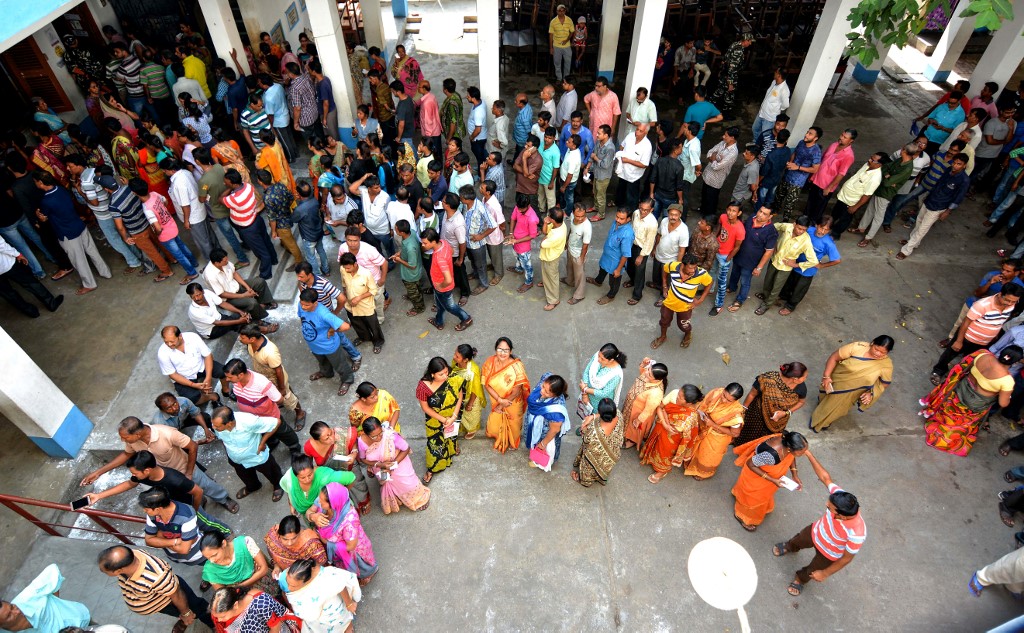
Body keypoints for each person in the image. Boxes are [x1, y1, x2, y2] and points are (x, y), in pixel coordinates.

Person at [79, 415, 233, 512]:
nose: (123, 441)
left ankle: (223, 499)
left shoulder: (167, 433)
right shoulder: (135, 443)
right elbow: (126, 454)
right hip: (160, 476)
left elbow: (192, 446)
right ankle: (199, 503)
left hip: (183, 469)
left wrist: (189, 472)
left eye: (125, 438)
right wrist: (99, 472)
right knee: (184, 496)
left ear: (137, 434)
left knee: (204, 485)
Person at [772, 453, 865, 597]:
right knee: (798, 540)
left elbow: (847, 558)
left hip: (829, 554)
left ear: (842, 516)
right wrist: (808, 453)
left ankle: (800, 579)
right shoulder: (840, 497)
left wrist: (825, 573)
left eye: (829, 508)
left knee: (812, 571)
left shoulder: (857, 533)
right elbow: (825, 477)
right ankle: (790, 547)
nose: (826, 505)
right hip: (815, 532)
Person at [922, 345, 1022, 456]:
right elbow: (1003, 403)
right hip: (974, 405)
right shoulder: (1007, 381)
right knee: (960, 422)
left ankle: (938, 424)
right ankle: (945, 437)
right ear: (1016, 363)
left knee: (949, 412)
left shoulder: (983, 355)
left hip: (961, 390)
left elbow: (965, 368)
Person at [98, 545, 213, 630]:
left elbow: (177, 594)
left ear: (118, 570)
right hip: (160, 600)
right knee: (182, 611)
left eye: (105, 571)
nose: (103, 572)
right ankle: (183, 618)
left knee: (198, 609)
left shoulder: (156, 577)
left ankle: (212, 623)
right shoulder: (131, 557)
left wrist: (186, 613)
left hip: (170, 599)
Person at [33, 171, 112, 295]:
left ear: (41, 183)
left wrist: (39, 216)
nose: (35, 184)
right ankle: (105, 272)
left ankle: (89, 284)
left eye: (35, 181)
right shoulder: (61, 189)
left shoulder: (46, 201)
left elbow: (44, 218)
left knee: (79, 260)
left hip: (67, 233)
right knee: (92, 251)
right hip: (79, 226)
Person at [931, 285, 1021, 384]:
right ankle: (938, 371)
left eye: (1014, 301)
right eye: (1007, 300)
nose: (1010, 303)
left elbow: (1002, 319)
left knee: (970, 360)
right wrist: (959, 340)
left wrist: (995, 332)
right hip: (967, 337)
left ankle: (956, 377)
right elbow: (966, 322)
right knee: (950, 354)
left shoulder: (1011, 305)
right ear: (1000, 295)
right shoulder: (982, 305)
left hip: (983, 342)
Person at [809, 336, 894, 434]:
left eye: (883, 352)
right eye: (876, 349)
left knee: (837, 409)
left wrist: (870, 393)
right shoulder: (856, 347)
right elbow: (834, 358)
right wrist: (826, 376)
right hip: (836, 381)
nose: (877, 353)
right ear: (872, 343)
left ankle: (824, 422)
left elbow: (883, 384)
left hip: (851, 393)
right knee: (825, 398)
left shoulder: (886, 365)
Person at [896, 153, 971, 259]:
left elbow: (958, 198)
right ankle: (912, 242)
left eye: (959, 164)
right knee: (919, 221)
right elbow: (938, 184)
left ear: (964, 165)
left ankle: (906, 250)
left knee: (922, 229)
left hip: (939, 206)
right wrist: (928, 196)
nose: (955, 166)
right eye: (954, 162)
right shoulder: (948, 170)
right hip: (930, 200)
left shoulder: (964, 180)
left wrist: (947, 211)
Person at [731, 430, 809, 532]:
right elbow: (750, 464)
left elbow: (791, 457)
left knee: (762, 498)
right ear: (790, 448)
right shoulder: (771, 455)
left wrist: (795, 475)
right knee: (752, 500)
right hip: (756, 479)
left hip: (769, 480)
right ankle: (742, 516)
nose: (804, 454)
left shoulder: (788, 442)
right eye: (801, 452)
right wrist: (773, 480)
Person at [210, 406, 287, 502]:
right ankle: (253, 486)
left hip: (255, 456)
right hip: (236, 458)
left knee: (271, 472)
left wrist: (262, 442)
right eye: (213, 425)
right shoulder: (217, 425)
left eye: (217, 426)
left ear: (229, 424)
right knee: (244, 475)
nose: (214, 427)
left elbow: (276, 423)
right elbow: (222, 438)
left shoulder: (249, 421)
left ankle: (278, 485)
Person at [357, 416, 432, 513]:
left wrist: (393, 465)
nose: (379, 437)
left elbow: (406, 449)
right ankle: (397, 496)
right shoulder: (362, 442)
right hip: (381, 468)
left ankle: (420, 498)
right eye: (374, 436)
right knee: (389, 483)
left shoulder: (390, 436)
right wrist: (380, 465)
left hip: (398, 462)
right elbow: (363, 459)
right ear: (366, 434)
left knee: (408, 484)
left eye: (381, 433)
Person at [309, 482, 378, 583]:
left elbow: (350, 546)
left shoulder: (350, 520)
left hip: (353, 551)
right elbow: (309, 512)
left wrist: (325, 541)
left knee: (361, 566)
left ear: (333, 503)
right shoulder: (323, 503)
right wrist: (313, 516)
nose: (318, 502)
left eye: (322, 501)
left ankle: (369, 574)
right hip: (337, 551)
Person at [304, 420, 371, 516]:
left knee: (358, 484)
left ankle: (364, 502)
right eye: (326, 438)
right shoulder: (309, 447)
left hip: (349, 465)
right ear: (317, 440)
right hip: (331, 475)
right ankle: (348, 510)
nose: (332, 438)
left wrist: (354, 453)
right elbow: (309, 465)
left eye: (331, 433)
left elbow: (353, 441)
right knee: (339, 493)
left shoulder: (341, 433)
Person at [221, 169, 279, 279]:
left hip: (248, 227)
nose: (225, 183)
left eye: (226, 182)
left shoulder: (235, 199)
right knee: (266, 241)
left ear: (232, 183)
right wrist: (231, 186)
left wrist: (229, 188)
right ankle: (274, 259)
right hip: (256, 219)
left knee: (260, 251)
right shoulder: (247, 186)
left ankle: (265, 274)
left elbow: (220, 199)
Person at [753, 216, 817, 316]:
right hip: (774, 260)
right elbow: (774, 227)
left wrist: (796, 264)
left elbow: (813, 261)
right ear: (794, 224)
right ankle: (765, 295)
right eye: (799, 228)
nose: (801, 231)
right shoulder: (787, 227)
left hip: (785, 268)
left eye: (804, 230)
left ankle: (767, 304)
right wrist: (772, 243)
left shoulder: (806, 241)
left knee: (776, 287)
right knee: (768, 281)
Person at [298, 288, 356, 396]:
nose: (303, 307)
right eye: (302, 304)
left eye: (306, 305)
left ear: (315, 303)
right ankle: (326, 373)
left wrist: (332, 329)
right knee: (322, 362)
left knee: (339, 364)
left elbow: (345, 326)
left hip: (329, 346)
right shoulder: (301, 305)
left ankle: (347, 379)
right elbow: (301, 316)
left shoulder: (323, 314)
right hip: (314, 345)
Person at [640, 384, 704, 482]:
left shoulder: (691, 417)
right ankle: (651, 459)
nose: (677, 397)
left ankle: (662, 471)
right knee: (656, 445)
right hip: (661, 427)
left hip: (673, 439)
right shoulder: (674, 393)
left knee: (664, 453)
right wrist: (665, 423)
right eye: (679, 394)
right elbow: (660, 407)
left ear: (688, 403)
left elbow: (688, 434)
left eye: (680, 398)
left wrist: (665, 417)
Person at [778, 216, 842, 315]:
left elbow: (837, 260)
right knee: (789, 282)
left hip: (808, 270)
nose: (822, 231)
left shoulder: (829, 243)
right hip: (794, 262)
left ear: (829, 230)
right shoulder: (809, 230)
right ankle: (783, 296)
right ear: (816, 225)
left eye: (826, 229)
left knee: (799, 289)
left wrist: (821, 266)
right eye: (821, 227)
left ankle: (790, 306)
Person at [735, 364, 808, 448]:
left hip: (779, 421)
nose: (805, 379)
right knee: (749, 435)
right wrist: (743, 410)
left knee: (767, 440)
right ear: (795, 379)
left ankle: (759, 452)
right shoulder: (766, 379)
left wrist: (786, 413)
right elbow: (752, 394)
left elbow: (801, 402)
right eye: (805, 376)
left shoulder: (801, 387)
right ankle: (743, 450)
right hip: (757, 414)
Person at [417, 357, 465, 484]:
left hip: (453, 415)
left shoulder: (453, 377)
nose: (445, 376)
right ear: (432, 374)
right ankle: (432, 469)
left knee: (452, 436)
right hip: (435, 421)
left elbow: (460, 396)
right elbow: (425, 408)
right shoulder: (423, 387)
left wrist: (453, 416)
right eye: (441, 374)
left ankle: (452, 448)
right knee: (434, 445)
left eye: (446, 372)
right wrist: (444, 420)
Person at [0, 564, 89, 633]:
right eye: (9, 616)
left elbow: (52, 570)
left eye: (12, 607)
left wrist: (55, 601)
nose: (17, 611)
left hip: (82, 620)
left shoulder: (28, 597)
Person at [684, 383, 745, 480]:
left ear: (735, 401)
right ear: (723, 389)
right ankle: (690, 463)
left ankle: (703, 473)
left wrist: (713, 425)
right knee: (697, 448)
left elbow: (735, 433)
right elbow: (704, 404)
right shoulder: (716, 393)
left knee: (708, 457)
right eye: (724, 395)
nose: (724, 400)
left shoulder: (735, 414)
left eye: (729, 400)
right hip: (704, 425)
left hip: (718, 437)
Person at [156, 325, 229, 406]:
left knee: (224, 371)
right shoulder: (162, 353)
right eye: (166, 342)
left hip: (201, 366)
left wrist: (208, 378)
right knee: (191, 399)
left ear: (180, 336)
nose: (169, 344)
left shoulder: (193, 337)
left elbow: (208, 355)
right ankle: (212, 396)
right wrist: (193, 385)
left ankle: (226, 390)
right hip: (184, 376)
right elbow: (173, 374)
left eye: (172, 341)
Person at [281, 559, 360, 632]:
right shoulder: (293, 575)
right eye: (288, 583)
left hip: (335, 610)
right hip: (321, 619)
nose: (289, 588)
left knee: (343, 621)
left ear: (306, 581)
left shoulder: (327, 576)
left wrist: (349, 604)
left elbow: (341, 585)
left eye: (293, 586)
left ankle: (348, 628)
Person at [420, 228, 474, 331]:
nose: (423, 245)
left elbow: (448, 280)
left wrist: (440, 286)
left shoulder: (439, 258)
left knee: (450, 307)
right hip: (439, 287)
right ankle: (439, 322)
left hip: (443, 288)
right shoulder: (443, 242)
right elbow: (452, 251)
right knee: (440, 304)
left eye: (425, 243)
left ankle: (466, 319)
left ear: (434, 242)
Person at [0, 235, 63, 318]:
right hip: (6, 264)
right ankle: (51, 303)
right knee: (30, 283)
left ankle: (30, 312)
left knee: (8, 293)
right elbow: (1, 245)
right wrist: (17, 254)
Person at [805, 129, 857, 224]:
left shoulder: (849, 155)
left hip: (826, 186)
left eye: (845, 137)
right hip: (816, 180)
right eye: (842, 135)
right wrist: (812, 176)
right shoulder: (833, 145)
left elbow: (841, 174)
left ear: (851, 141)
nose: (841, 137)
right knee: (810, 203)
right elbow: (821, 160)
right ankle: (803, 222)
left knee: (818, 209)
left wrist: (829, 188)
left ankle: (811, 227)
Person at [201, 531, 276, 595]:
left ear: (223, 543)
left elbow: (264, 569)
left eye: (214, 555)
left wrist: (237, 587)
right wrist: (255, 576)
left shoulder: (245, 543)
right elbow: (224, 595)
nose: (212, 561)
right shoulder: (209, 570)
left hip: (264, 583)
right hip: (243, 597)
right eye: (208, 558)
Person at [571, 398, 625, 487]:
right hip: (612, 453)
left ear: (599, 412)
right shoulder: (618, 414)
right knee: (603, 466)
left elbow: (586, 440)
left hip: (596, 456)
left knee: (589, 465)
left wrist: (583, 429)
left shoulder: (594, 432)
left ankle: (583, 480)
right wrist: (593, 416)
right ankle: (601, 477)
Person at [339, 252, 385, 354]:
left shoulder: (366, 274)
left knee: (373, 325)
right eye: (345, 268)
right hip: (350, 304)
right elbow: (344, 283)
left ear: (355, 264)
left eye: (349, 268)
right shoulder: (343, 269)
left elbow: (373, 290)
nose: (346, 270)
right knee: (357, 323)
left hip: (366, 305)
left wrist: (359, 298)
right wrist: (345, 294)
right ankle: (364, 337)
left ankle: (378, 341)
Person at [525, 373, 571, 471]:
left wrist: (542, 444)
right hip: (533, 422)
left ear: (555, 395)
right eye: (543, 387)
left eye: (546, 392)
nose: (541, 391)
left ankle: (539, 461)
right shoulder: (546, 378)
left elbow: (554, 430)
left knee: (541, 448)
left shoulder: (556, 412)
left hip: (544, 432)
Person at [589, 208, 634, 304]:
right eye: (617, 217)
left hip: (615, 262)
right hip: (606, 256)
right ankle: (598, 281)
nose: (618, 220)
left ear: (628, 219)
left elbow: (626, 254)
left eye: (621, 219)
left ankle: (611, 295)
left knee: (614, 281)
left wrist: (618, 269)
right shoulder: (616, 223)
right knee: (602, 269)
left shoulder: (627, 234)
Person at [621, 358, 668, 449]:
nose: (646, 373)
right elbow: (642, 371)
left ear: (656, 380)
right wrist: (643, 363)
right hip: (631, 407)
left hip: (638, 413)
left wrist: (638, 420)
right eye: (649, 369)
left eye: (649, 374)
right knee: (627, 422)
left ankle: (631, 441)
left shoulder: (656, 393)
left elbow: (648, 411)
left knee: (634, 428)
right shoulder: (648, 374)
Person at [708, 202, 745, 316]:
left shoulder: (740, 229)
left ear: (739, 213)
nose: (730, 213)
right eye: (729, 209)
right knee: (712, 272)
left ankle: (718, 305)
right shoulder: (723, 217)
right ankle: (709, 290)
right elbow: (719, 226)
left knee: (722, 281)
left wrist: (728, 258)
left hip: (725, 256)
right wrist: (714, 237)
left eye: (734, 211)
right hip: (716, 250)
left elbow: (737, 247)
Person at [265, 515, 328, 580]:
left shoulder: (312, 544)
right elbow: (271, 551)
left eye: (294, 538)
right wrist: (276, 566)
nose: (289, 543)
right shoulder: (273, 537)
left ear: (300, 532)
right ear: (278, 534)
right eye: (285, 539)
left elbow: (321, 564)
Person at [209, 586, 294, 633]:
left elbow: (276, 627)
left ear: (235, 605)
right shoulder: (218, 612)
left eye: (223, 616)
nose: (219, 620)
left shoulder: (260, 604)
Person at [699, 127, 740, 216]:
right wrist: (715, 159)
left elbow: (717, 167)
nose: (723, 137)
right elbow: (710, 152)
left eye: (726, 135)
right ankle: (702, 211)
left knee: (711, 200)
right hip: (708, 175)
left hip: (716, 180)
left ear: (732, 137)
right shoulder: (723, 143)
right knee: (704, 196)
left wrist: (714, 158)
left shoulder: (733, 153)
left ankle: (709, 218)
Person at [505, 194, 540, 292]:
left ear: (528, 205)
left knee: (527, 265)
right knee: (517, 257)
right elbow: (513, 218)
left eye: (522, 210)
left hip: (524, 246)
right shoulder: (519, 206)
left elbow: (532, 235)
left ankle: (529, 282)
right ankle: (519, 269)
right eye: (519, 208)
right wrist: (511, 233)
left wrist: (516, 240)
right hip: (515, 241)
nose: (519, 211)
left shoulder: (532, 218)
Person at [616, 122, 652, 211]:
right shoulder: (630, 136)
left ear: (645, 133)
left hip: (634, 176)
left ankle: (630, 213)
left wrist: (628, 160)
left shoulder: (647, 146)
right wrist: (620, 155)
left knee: (631, 196)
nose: (637, 132)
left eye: (640, 131)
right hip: (623, 171)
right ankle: (620, 209)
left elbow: (644, 164)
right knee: (621, 191)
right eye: (637, 129)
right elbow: (622, 146)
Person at [538, 206, 568, 310]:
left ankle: (554, 300)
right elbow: (545, 233)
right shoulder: (560, 224)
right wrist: (546, 224)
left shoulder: (556, 236)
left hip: (551, 258)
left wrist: (544, 237)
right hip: (547, 256)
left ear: (553, 220)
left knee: (552, 278)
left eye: (548, 217)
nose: (547, 218)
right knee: (547, 274)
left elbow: (541, 244)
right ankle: (546, 282)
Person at [753, 69, 791, 141]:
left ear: (779, 75)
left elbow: (786, 105)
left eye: (776, 72)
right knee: (755, 129)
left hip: (769, 118)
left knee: (765, 135)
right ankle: (756, 143)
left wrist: (776, 108)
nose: (774, 73)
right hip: (762, 113)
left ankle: (761, 149)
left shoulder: (784, 90)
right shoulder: (774, 82)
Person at [549, 4, 573, 81]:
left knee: (568, 63)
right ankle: (559, 79)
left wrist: (567, 40)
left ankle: (565, 79)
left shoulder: (569, 20)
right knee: (557, 64)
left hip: (567, 46)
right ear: (557, 12)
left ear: (565, 11)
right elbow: (551, 35)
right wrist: (551, 48)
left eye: (563, 11)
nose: (561, 12)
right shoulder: (553, 22)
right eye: (559, 11)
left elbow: (572, 32)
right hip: (556, 46)